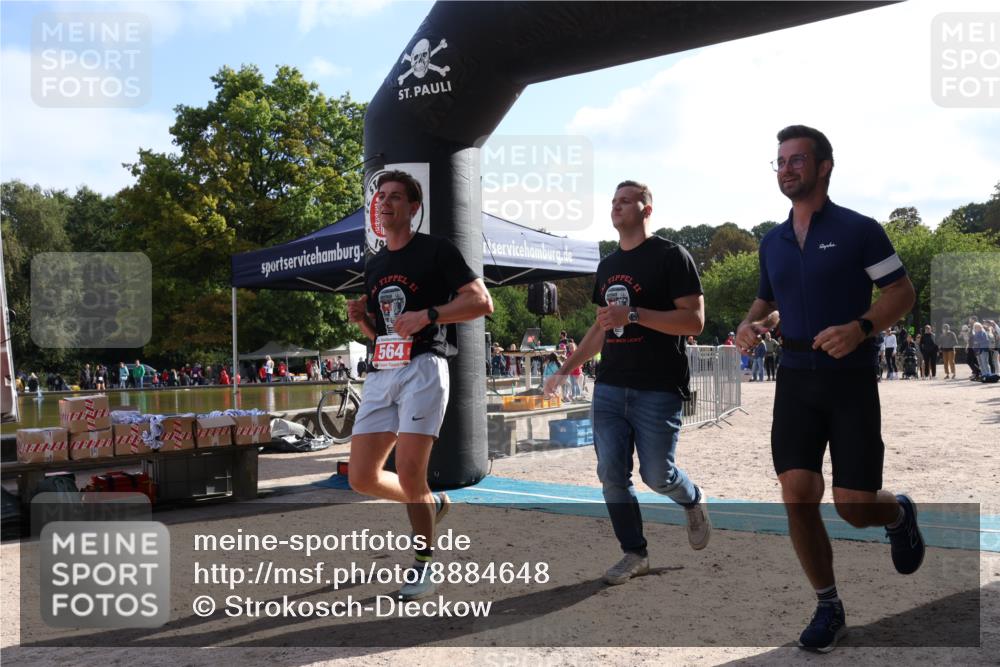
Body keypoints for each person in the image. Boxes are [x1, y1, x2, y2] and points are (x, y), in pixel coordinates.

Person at [736, 125, 924, 653]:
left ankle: (898, 513)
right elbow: (766, 301)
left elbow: (902, 292)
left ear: (824, 167)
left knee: (853, 505)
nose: (787, 168)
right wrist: (751, 325)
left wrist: (861, 327)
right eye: (779, 161)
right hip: (793, 378)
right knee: (798, 494)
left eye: (797, 160)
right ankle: (827, 605)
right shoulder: (771, 241)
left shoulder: (860, 229)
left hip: (849, 379)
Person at [544, 179, 711, 587]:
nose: (616, 207)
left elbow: (694, 321)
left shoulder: (673, 256)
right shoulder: (607, 266)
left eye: (626, 201)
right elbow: (601, 329)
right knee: (611, 474)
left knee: (658, 475)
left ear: (646, 210)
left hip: (658, 386)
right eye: (613, 201)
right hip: (611, 386)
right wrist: (565, 369)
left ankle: (691, 498)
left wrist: (633, 314)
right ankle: (634, 553)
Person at [345, 170, 493, 601]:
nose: (385, 203)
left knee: (411, 473)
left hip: (424, 368)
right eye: (380, 197)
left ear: (413, 208)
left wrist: (429, 315)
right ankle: (433, 504)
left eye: (395, 197)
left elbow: (481, 301)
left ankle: (424, 565)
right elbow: (386, 333)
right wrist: (364, 322)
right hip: (382, 372)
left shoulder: (436, 251)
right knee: (361, 478)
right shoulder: (375, 266)